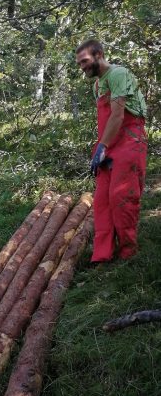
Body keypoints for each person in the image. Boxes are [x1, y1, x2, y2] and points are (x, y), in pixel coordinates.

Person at [75, 39, 147, 263]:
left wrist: (103, 147)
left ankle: (127, 251)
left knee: (121, 196)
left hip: (130, 139)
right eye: (79, 64)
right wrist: (100, 147)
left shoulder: (118, 74)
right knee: (101, 201)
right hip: (108, 141)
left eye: (84, 61)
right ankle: (103, 254)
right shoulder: (97, 85)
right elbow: (105, 120)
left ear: (99, 55)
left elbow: (117, 115)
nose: (82, 67)